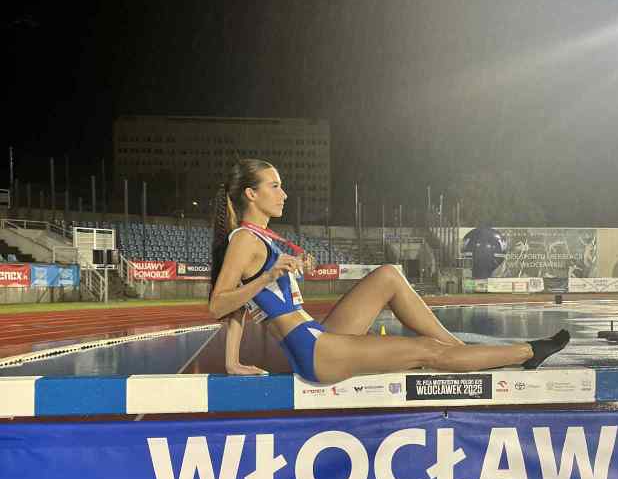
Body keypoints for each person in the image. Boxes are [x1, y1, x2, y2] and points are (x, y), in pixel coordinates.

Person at [209, 159, 570, 384]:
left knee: (388, 275)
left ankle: (461, 353)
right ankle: (529, 352)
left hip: (318, 335)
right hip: (314, 351)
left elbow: (240, 306)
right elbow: (219, 304)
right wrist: (269, 277)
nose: (284, 194)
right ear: (251, 194)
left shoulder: (259, 238)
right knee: (426, 351)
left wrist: (232, 362)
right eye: (275, 186)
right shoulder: (244, 239)